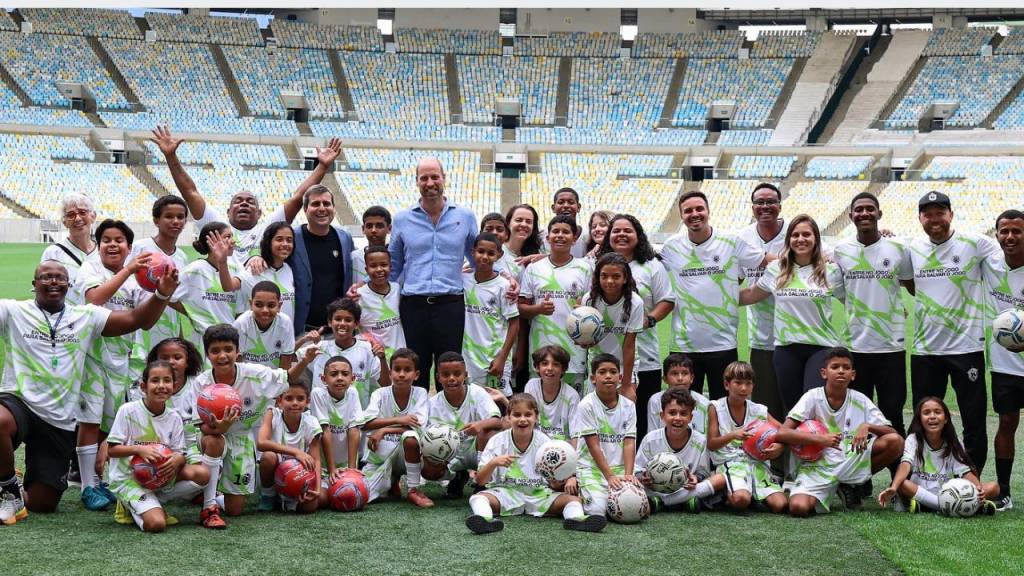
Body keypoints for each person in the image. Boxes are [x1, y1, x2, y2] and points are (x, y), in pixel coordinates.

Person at [0, 260, 176, 523]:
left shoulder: (85, 316)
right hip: (19, 401)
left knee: (42, 503)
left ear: (68, 286)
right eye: (46, 277)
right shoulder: (13, 310)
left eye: (60, 277)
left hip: (58, 418)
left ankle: (15, 481)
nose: (53, 281)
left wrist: (162, 293)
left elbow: (136, 319)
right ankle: (8, 490)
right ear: (34, 284)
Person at [149, 125, 341, 267]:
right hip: (223, 303)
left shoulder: (268, 229)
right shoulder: (216, 225)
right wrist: (171, 157)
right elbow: (190, 191)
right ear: (228, 211)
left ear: (259, 214)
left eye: (250, 202)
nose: (244, 204)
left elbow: (299, 197)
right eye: (238, 201)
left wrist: (322, 166)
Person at [908, 191, 997, 473]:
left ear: (951, 215)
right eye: (928, 214)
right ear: (920, 218)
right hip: (925, 350)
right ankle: (925, 474)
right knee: (924, 420)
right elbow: (909, 283)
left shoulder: (976, 243)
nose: (934, 219)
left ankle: (971, 477)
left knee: (973, 420)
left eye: (940, 213)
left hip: (966, 348)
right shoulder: (912, 248)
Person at [73, 220, 153, 510]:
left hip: (122, 357)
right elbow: (95, 299)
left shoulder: (136, 278)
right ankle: (86, 486)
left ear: (129, 247)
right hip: (91, 353)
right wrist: (129, 270)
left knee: (107, 422)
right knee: (90, 419)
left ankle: (98, 478)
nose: (112, 244)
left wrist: (160, 289)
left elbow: (145, 318)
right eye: (106, 239)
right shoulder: (90, 269)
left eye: (119, 240)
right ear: (98, 245)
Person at [661, 191, 768, 400]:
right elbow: (645, 262)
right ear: (681, 216)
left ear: (708, 211)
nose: (695, 214)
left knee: (724, 406)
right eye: (688, 211)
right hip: (684, 344)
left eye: (699, 208)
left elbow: (765, 260)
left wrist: (810, 257)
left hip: (722, 343)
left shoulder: (731, 242)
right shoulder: (671, 247)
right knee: (684, 407)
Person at [776, 347, 903, 517]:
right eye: (835, 367)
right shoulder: (812, 397)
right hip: (817, 466)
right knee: (798, 508)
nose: (841, 371)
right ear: (824, 373)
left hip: (849, 460)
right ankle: (831, 488)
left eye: (846, 367)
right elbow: (782, 433)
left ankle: (850, 485)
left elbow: (892, 432)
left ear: (853, 374)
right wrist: (820, 440)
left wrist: (868, 426)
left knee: (895, 441)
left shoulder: (860, 400)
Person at [739, 215, 846, 413]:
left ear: (816, 239)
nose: (801, 239)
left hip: (820, 347)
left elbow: (852, 300)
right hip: (786, 348)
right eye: (795, 235)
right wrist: (712, 296)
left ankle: (818, 443)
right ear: (789, 240)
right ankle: (794, 445)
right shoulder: (776, 270)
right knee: (792, 408)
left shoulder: (830, 272)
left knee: (812, 404)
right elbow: (751, 294)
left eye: (807, 234)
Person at [389, 157, 477, 390]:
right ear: (417, 182)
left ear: (444, 179)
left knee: (449, 368)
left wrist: (505, 277)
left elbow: (478, 258)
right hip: (413, 305)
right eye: (424, 178)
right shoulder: (402, 219)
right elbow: (393, 265)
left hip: (450, 305)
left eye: (434, 176)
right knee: (414, 368)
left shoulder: (465, 217)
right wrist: (368, 290)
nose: (430, 182)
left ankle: (448, 422)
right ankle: (413, 422)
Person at [466, 393, 607, 535]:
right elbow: (480, 481)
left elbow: (553, 483)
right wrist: (493, 463)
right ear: (508, 417)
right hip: (507, 493)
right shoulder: (497, 441)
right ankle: (485, 520)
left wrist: (560, 480)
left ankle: (576, 519)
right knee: (477, 498)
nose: (522, 419)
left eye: (528, 414)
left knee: (573, 500)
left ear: (536, 417)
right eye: (517, 415)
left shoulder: (545, 442)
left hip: (538, 495)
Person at [833, 192, 913, 437]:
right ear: (851, 216)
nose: (864, 213)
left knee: (892, 414)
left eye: (870, 208)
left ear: (879, 213)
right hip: (857, 347)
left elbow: (910, 284)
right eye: (859, 210)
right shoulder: (841, 251)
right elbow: (841, 292)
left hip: (891, 347)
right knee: (857, 417)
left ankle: (898, 472)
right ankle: (861, 475)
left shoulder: (899, 247)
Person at [194, 324, 290, 524]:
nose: (222, 356)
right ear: (207, 355)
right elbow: (200, 426)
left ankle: (215, 490)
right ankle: (209, 505)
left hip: (241, 438)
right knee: (215, 441)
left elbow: (286, 378)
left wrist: (305, 359)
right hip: (211, 437)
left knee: (235, 510)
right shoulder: (201, 383)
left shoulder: (254, 373)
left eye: (228, 350)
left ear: (238, 352)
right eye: (215, 351)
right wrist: (219, 428)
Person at [106, 361, 211, 532]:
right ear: (143, 386)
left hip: (159, 478)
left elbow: (179, 453)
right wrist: (139, 449)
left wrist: (178, 458)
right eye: (155, 381)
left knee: (202, 474)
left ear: (174, 385)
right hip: (129, 480)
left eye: (167, 380)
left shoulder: (174, 417)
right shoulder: (128, 411)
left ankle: (153, 501)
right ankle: (130, 506)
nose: (161, 386)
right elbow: (111, 450)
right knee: (156, 524)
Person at [598, 214, 674, 440]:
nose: (621, 235)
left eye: (627, 231)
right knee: (607, 422)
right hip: (606, 359)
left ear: (638, 235)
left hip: (645, 356)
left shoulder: (651, 265)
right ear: (608, 236)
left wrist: (648, 320)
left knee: (640, 420)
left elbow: (667, 300)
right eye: (616, 231)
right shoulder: (597, 263)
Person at [878, 397, 997, 515]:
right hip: (921, 492)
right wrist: (894, 487)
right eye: (926, 413)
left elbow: (966, 472)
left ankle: (930, 507)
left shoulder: (953, 442)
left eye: (938, 412)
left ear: (946, 419)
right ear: (919, 419)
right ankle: (958, 507)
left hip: (950, 493)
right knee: (901, 484)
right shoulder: (913, 439)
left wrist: (978, 488)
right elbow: (905, 464)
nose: (932, 416)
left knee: (994, 487)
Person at [519, 216, 592, 391]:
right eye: (555, 231)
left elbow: (593, 308)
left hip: (574, 352)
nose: (560, 235)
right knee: (539, 406)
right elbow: (521, 308)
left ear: (574, 238)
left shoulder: (585, 268)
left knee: (572, 405)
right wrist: (538, 309)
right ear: (547, 237)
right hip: (541, 350)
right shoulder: (534, 269)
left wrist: (585, 309)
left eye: (566, 232)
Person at [982, 209, 1024, 510]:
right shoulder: (990, 264)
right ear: (996, 234)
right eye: (1004, 231)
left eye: (1017, 231)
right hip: (1003, 364)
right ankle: (1005, 490)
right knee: (1007, 421)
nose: (1009, 237)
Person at [706, 361, 788, 514]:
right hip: (732, 462)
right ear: (726, 384)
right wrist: (733, 435)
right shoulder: (716, 407)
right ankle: (725, 490)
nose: (743, 388)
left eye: (748, 383)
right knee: (740, 500)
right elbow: (711, 444)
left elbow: (784, 431)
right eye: (737, 383)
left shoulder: (759, 410)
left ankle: (748, 492)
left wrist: (780, 446)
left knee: (780, 505)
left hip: (757, 464)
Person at [358, 348, 432, 508]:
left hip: (408, 454)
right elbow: (364, 423)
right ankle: (391, 481)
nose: (402, 374)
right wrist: (400, 419)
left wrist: (384, 429)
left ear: (417, 374)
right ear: (390, 373)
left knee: (411, 438)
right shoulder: (379, 393)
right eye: (397, 370)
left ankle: (413, 490)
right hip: (380, 455)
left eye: (407, 370)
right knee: (359, 494)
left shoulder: (420, 393)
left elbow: (417, 427)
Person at [422, 352, 502, 498]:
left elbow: (498, 421)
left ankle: (481, 482)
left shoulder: (477, 393)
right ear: (438, 377)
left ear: (465, 375)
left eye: (457, 374)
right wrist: (435, 458)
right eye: (446, 374)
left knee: (488, 432)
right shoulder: (432, 404)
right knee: (428, 471)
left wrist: (480, 424)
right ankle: (457, 477)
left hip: (475, 449)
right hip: (449, 455)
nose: (451, 378)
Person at [737, 183, 786, 419]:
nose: (765, 206)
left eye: (770, 201)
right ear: (752, 206)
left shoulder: (795, 232)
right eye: (760, 202)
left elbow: (826, 256)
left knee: (796, 406)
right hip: (761, 339)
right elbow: (732, 278)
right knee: (765, 408)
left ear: (780, 205)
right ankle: (769, 455)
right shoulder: (742, 238)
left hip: (795, 337)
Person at [128, 196, 191, 377]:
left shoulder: (182, 258)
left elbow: (177, 298)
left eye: (180, 217)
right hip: (140, 328)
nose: (175, 221)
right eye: (169, 216)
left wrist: (180, 339)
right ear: (156, 220)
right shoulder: (140, 248)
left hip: (167, 330)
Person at [570, 353, 639, 517]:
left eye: (613, 372)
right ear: (593, 378)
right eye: (602, 372)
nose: (608, 376)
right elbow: (593, 445)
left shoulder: (629, 405)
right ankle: (577, 499)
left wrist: (628, 476)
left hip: (620, 468)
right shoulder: (586, 405)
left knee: (635, 509)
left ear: (620, 377)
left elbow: (629, 443)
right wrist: (609, 477)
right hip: (592, 468)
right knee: (597, 511)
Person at [637, 388, 726, 513]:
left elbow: (703, 472)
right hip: (654, 490)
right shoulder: (650, 439)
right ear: (662, 415)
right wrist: (643, 478)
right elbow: (636, 470)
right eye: (672, 413)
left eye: (683, 413)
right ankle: (683, 501)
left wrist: (696, 478)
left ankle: (661, 502)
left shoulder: (700, 441)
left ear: (691, 417)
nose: (678, 418)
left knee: (720, 479)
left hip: (686, 489)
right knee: (631, 485)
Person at [293, 298, 385, 408]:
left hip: (357, 420)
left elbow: (386, 384)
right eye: (338, 319)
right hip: (322, 420)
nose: (342, 323)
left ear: (356, 324)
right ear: (330, 322)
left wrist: (383, 359)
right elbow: (287, 357)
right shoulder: (319, 348)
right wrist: (303, 340)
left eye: (348, 320)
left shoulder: (367, 349)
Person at [288, 185, 355, 335]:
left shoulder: (344, 238)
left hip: (337, 332)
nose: (322, 208)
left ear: (334, 208)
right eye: (315, 204)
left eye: (326, 203)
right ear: (305, 209)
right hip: (302, 330)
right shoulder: (292, 238)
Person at [462, 233, 520, 397]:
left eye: (491, 253)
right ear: (473, 252)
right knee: (472, 401)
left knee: (498, 401)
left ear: (499, 255)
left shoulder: (504, 286)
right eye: (481, 251)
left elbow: (514, 323)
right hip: (469, 358)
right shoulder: (464, 280)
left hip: (494, 358)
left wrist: (502, 357)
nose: (485, 257)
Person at [257, 380, 324, 513]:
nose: (295, 403)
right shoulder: (272, 414)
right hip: (274, 470)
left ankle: (289, 499)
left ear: (307, 401)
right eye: (289, 398)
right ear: (279, 401)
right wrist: (296, 452)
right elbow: (261, 443)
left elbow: (316, 459)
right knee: (268, 456)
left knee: (314, 504)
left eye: (300, 399)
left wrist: (316, 488)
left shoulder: (311, 422)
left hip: (299, 475)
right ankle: (268, 495)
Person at [580, 253, 642, 396]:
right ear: (598, 277)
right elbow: (587, 336)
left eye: (616, 276)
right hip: (597, 364)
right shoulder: (589, 300)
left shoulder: (635, 303)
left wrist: (626, 384)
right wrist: (584, 341)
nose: (609, 281)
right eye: (604, 276)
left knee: (626, 404)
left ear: (625, 278)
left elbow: (629, 345)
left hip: (623, 365)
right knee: (596, 410)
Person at [180, 223, 242, 351]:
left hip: (231, 340)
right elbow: (168, 296)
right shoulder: (194, 270)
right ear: (212, 241)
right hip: (203, 341)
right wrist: (193, 312)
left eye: (232, 236)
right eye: (228, 236)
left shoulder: (236, 269)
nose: (233, 241)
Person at [310, 356, 362, 482]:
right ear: (323, 379)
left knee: (352, 494)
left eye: (345, 374)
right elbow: (325, 431)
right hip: (324, 465)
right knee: (322, 500)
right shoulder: (318, 394)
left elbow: (354, 430)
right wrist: (331, 469)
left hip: (345, 463)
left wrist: (351, 470)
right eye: (334, 374)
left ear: (352, 378)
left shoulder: (353, 393)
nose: (339, 378)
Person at [40, 192, 98, 301]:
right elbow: (43, 293)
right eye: (71, 215)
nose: (77, 218)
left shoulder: (103, 252)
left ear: (93, 216)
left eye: (83, 212)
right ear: (64, 222)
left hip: (99, 317)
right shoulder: (53, 253)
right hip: (66, 317)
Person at [357, 245, 406, 363]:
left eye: (383, 265)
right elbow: (355, 326)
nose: (379, 269)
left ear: (390, 267)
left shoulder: (397, 289)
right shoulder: (358, 295)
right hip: (374, 358)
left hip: (400, 356)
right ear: (366, 269)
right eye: (373, 266)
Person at [239, 223, 295, 324]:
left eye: (289, 240)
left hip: (285, 334)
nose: (285, 244)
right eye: (279, 239)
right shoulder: (253, 270)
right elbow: (240, 309)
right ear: (268, 242)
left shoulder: (290, 270)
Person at [232, 281, 295, 369]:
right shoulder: (241, 324)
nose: (265, 310)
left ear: (279, 306)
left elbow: (286, 363)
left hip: (274, 378)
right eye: (258, 305)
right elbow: (236, 362)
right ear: (251, 304)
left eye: (271, 305)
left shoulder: (285, 323)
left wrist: (280, 382)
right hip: (247, 378)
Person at [524, 345, 580, 442]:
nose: (549, 368)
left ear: (564, 369)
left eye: (556, 364)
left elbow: (576, 434)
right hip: (536, 445)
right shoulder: (531, 386)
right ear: (537, 367)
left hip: (563, 448)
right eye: (545, 363)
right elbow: (524, 417)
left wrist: (574, 456)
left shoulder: (572, 395)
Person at [647, 353, 709, 438]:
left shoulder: (704, 403)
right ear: (665, 379)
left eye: (685, 373)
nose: (680, 378)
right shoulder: (655, 401)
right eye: (674, 373)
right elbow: (652, 434)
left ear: (692, 378)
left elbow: (705, 438)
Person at [352, 206, 392, 284]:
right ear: (363, 229)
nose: (373, 230)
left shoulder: (395, 258)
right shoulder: (353, 258)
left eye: (379, 226)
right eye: (369, 226)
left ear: (389, 229)